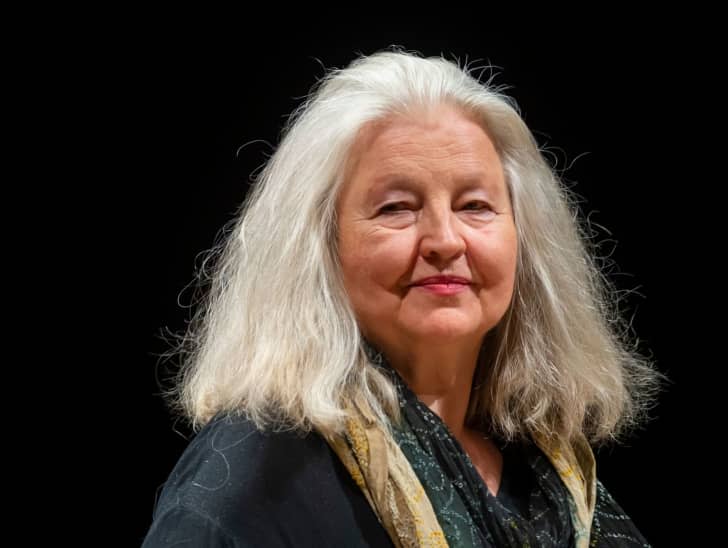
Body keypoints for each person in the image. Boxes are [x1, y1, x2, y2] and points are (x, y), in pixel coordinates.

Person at [141, 49, 663, 547]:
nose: (444, 240)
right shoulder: (248, 484)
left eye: (475, 205)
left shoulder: (555, 479)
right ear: (320, 247)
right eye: (396, 208)